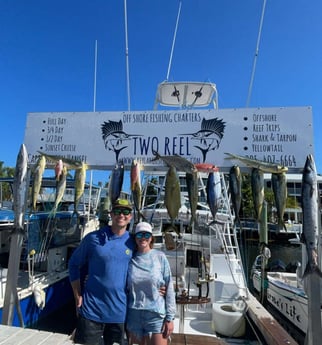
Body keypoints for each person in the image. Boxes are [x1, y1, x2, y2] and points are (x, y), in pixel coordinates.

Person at [68, 198, 135, 345]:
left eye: (125, 212)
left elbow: (146, 269)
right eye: (117, 211)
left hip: (119, 314)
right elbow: (73, 264)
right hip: (91, 311)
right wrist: (77, 294)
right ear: (111, 214)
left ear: (130, 216)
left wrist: (158, 289)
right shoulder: (93, 238)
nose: (121, 215)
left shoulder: (134, 242)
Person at [126, 222, 176, 345]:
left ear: (151, 238)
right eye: (139, 235)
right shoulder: (129, 259)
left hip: (156, 314)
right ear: (135, 238)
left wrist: (170, 318)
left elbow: (169, 287)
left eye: (146, 235)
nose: (143, 238)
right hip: (134, 314)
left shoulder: (160, 257)